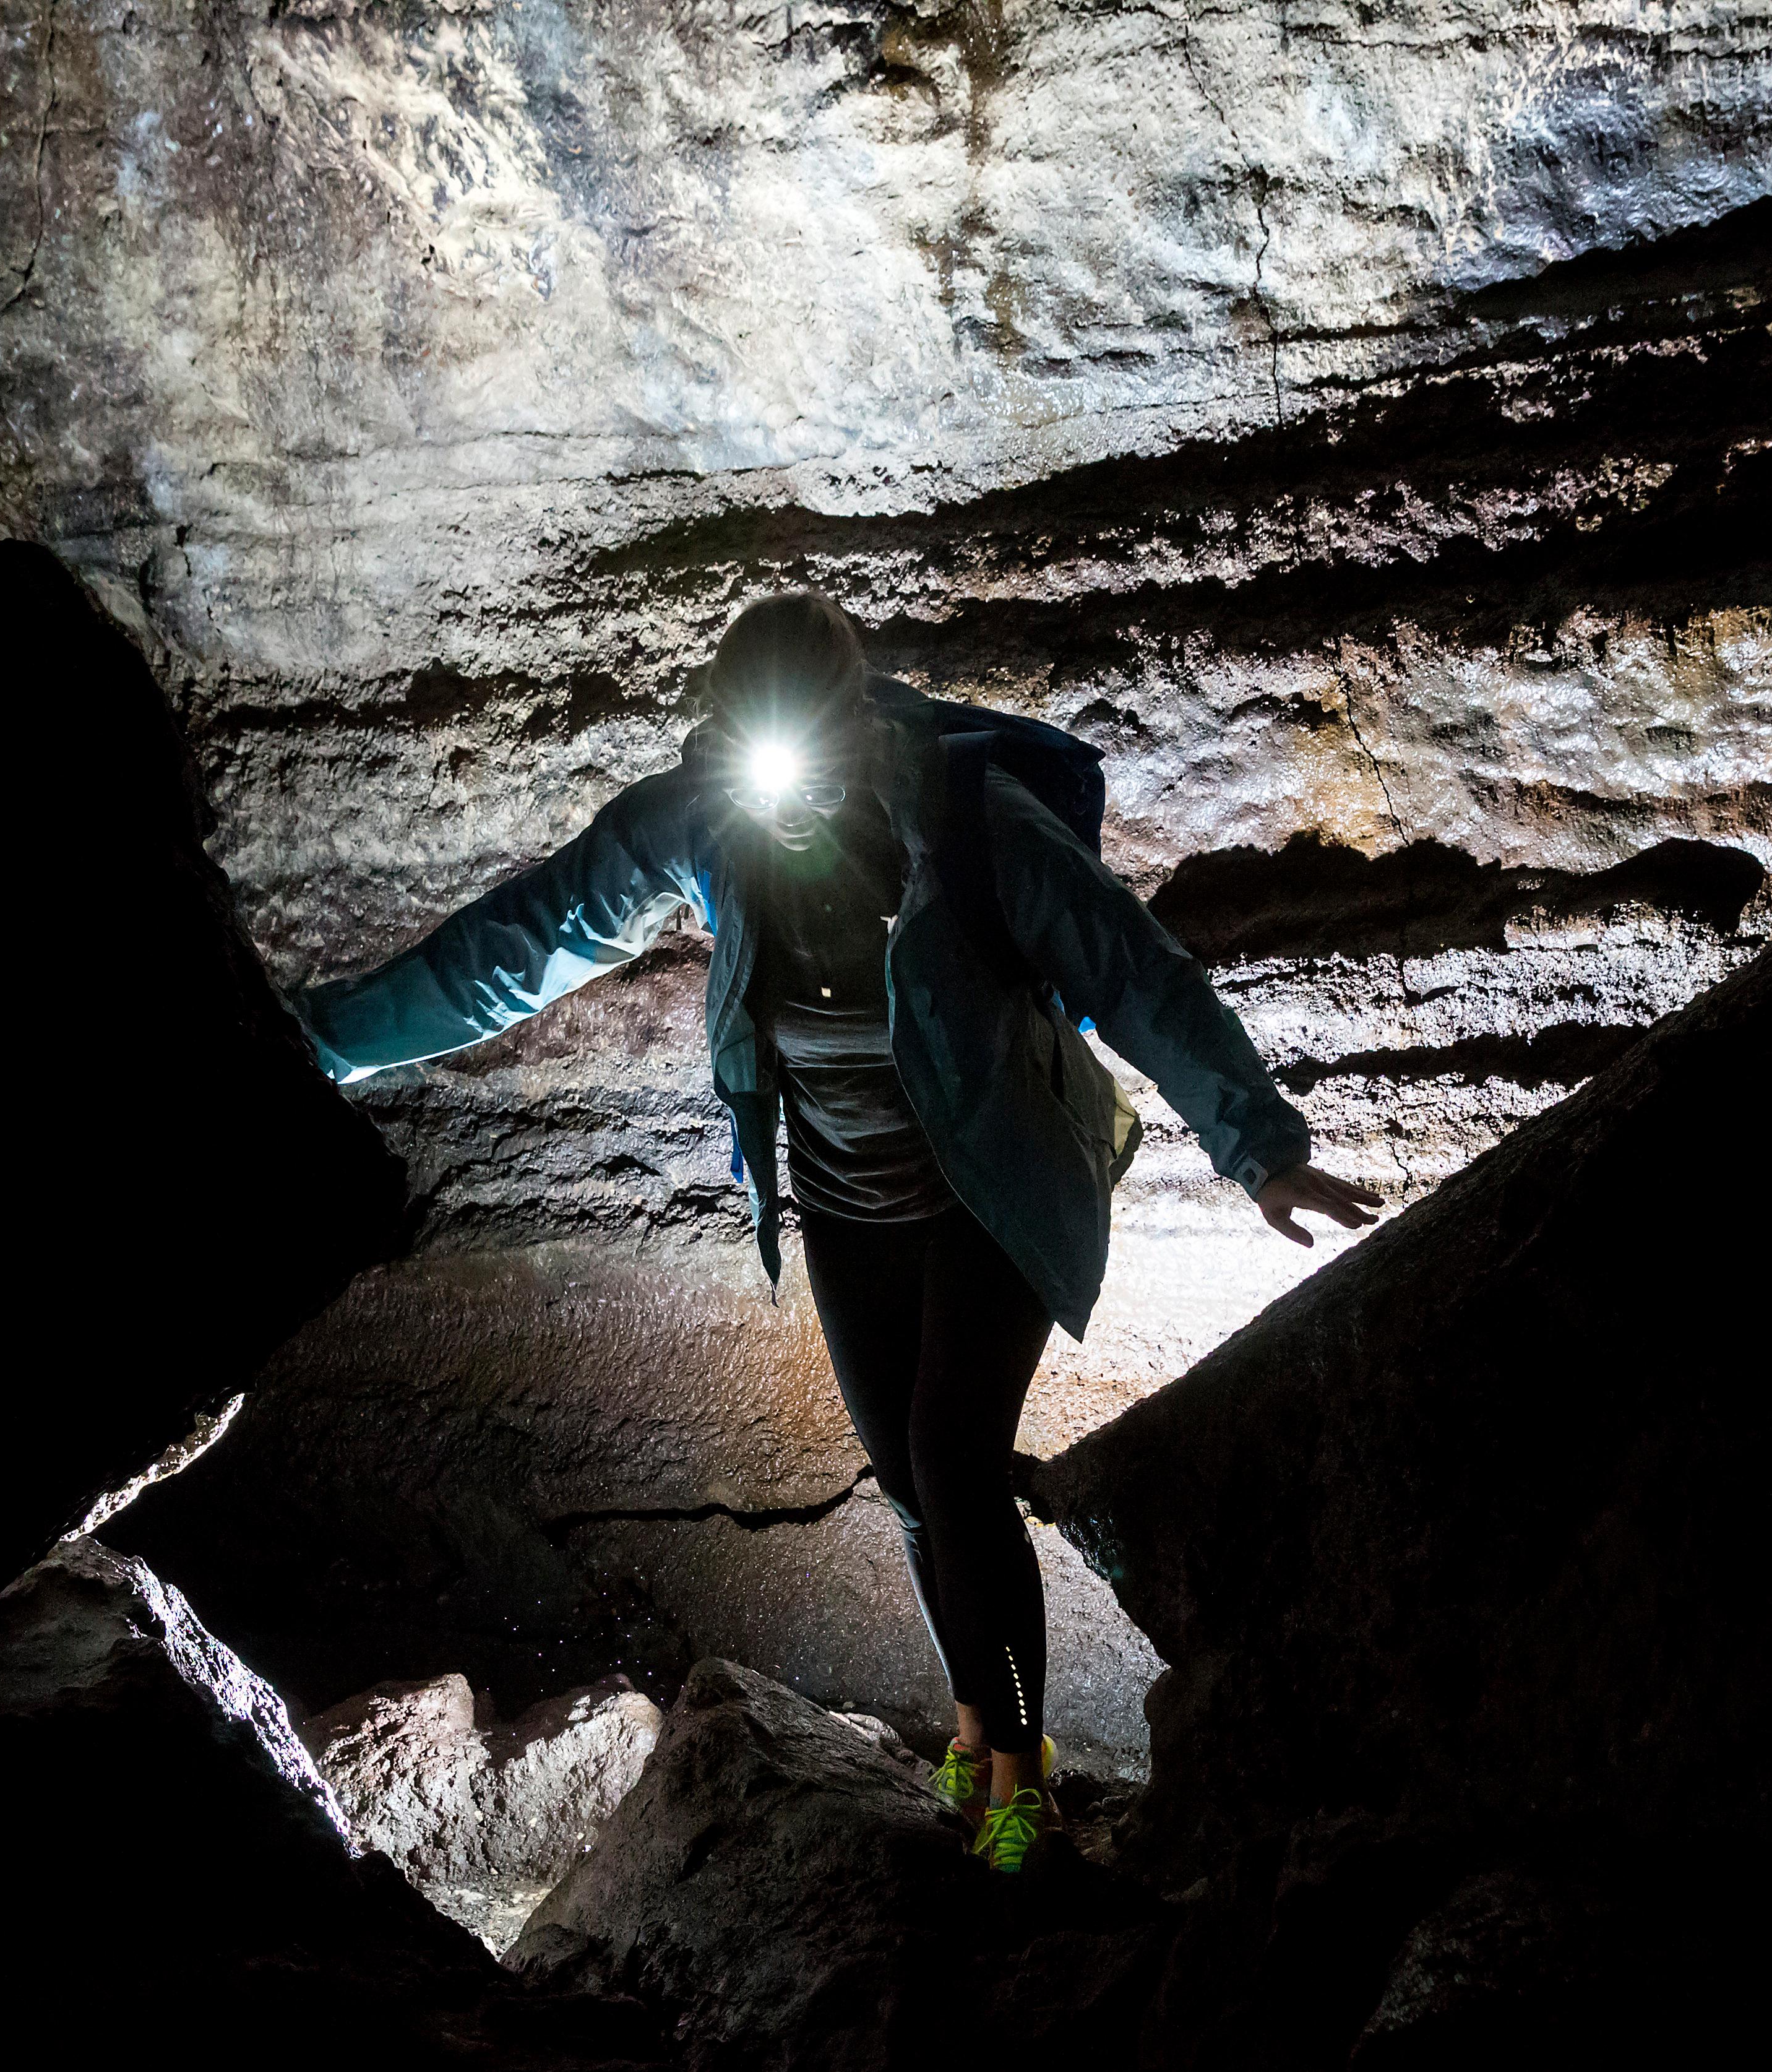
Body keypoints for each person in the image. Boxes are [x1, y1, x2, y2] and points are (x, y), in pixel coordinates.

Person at [291, 593, 1383, 1874]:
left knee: (954, 1461)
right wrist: (321, 1045)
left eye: (814, 760)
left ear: (859, 721)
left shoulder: (968, 819)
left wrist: (1262, 1151)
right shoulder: (703, 821)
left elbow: (1133, 971)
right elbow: (519, 943)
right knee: (914, 1489)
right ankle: (978, 1742)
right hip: (850, 1198)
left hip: (999, 1183)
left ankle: (1023, 1792)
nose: (793, 800)